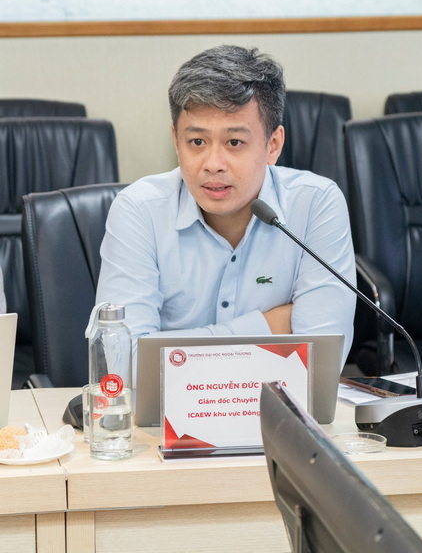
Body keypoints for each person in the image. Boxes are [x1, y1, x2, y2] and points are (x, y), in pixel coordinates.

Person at [95, 45, 356, 379]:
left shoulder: (316, 204)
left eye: (234, 143)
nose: (213, 164)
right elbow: (125, 364)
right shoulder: (139, 211)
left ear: (273, 145)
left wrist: (170, 352)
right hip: (165, 415)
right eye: (197, 142)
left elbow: (321, 362)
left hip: (277, 409)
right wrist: (269, 325)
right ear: (176, 141)